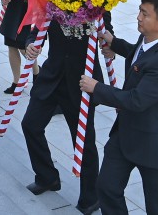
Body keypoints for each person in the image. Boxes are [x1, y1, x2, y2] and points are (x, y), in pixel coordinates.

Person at [80, 0, 158, 215]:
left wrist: (96, 87)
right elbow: (139, 55)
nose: (138, 17)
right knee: (106, 187)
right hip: (126, 134)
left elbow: (136, 100)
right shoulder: (147, 39)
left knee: (157, 206)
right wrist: (114, 44)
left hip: (154, 144)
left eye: (145, 14)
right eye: (140, 10)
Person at [21, 12, 112, 214]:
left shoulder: (97, 1)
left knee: (84, 141)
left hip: (82, 82)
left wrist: (109, 47)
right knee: (30, 124)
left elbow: (107, 32)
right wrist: (30, 44)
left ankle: (90, 196)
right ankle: (47, 176)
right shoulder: (53, 0)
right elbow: (37, 30)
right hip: (52, 77)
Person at [0, 0, 38, 94]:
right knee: (11, 44)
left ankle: (37, 73)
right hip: (14, 6)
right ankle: (16, 82)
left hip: (28, 7)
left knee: (23, 46)